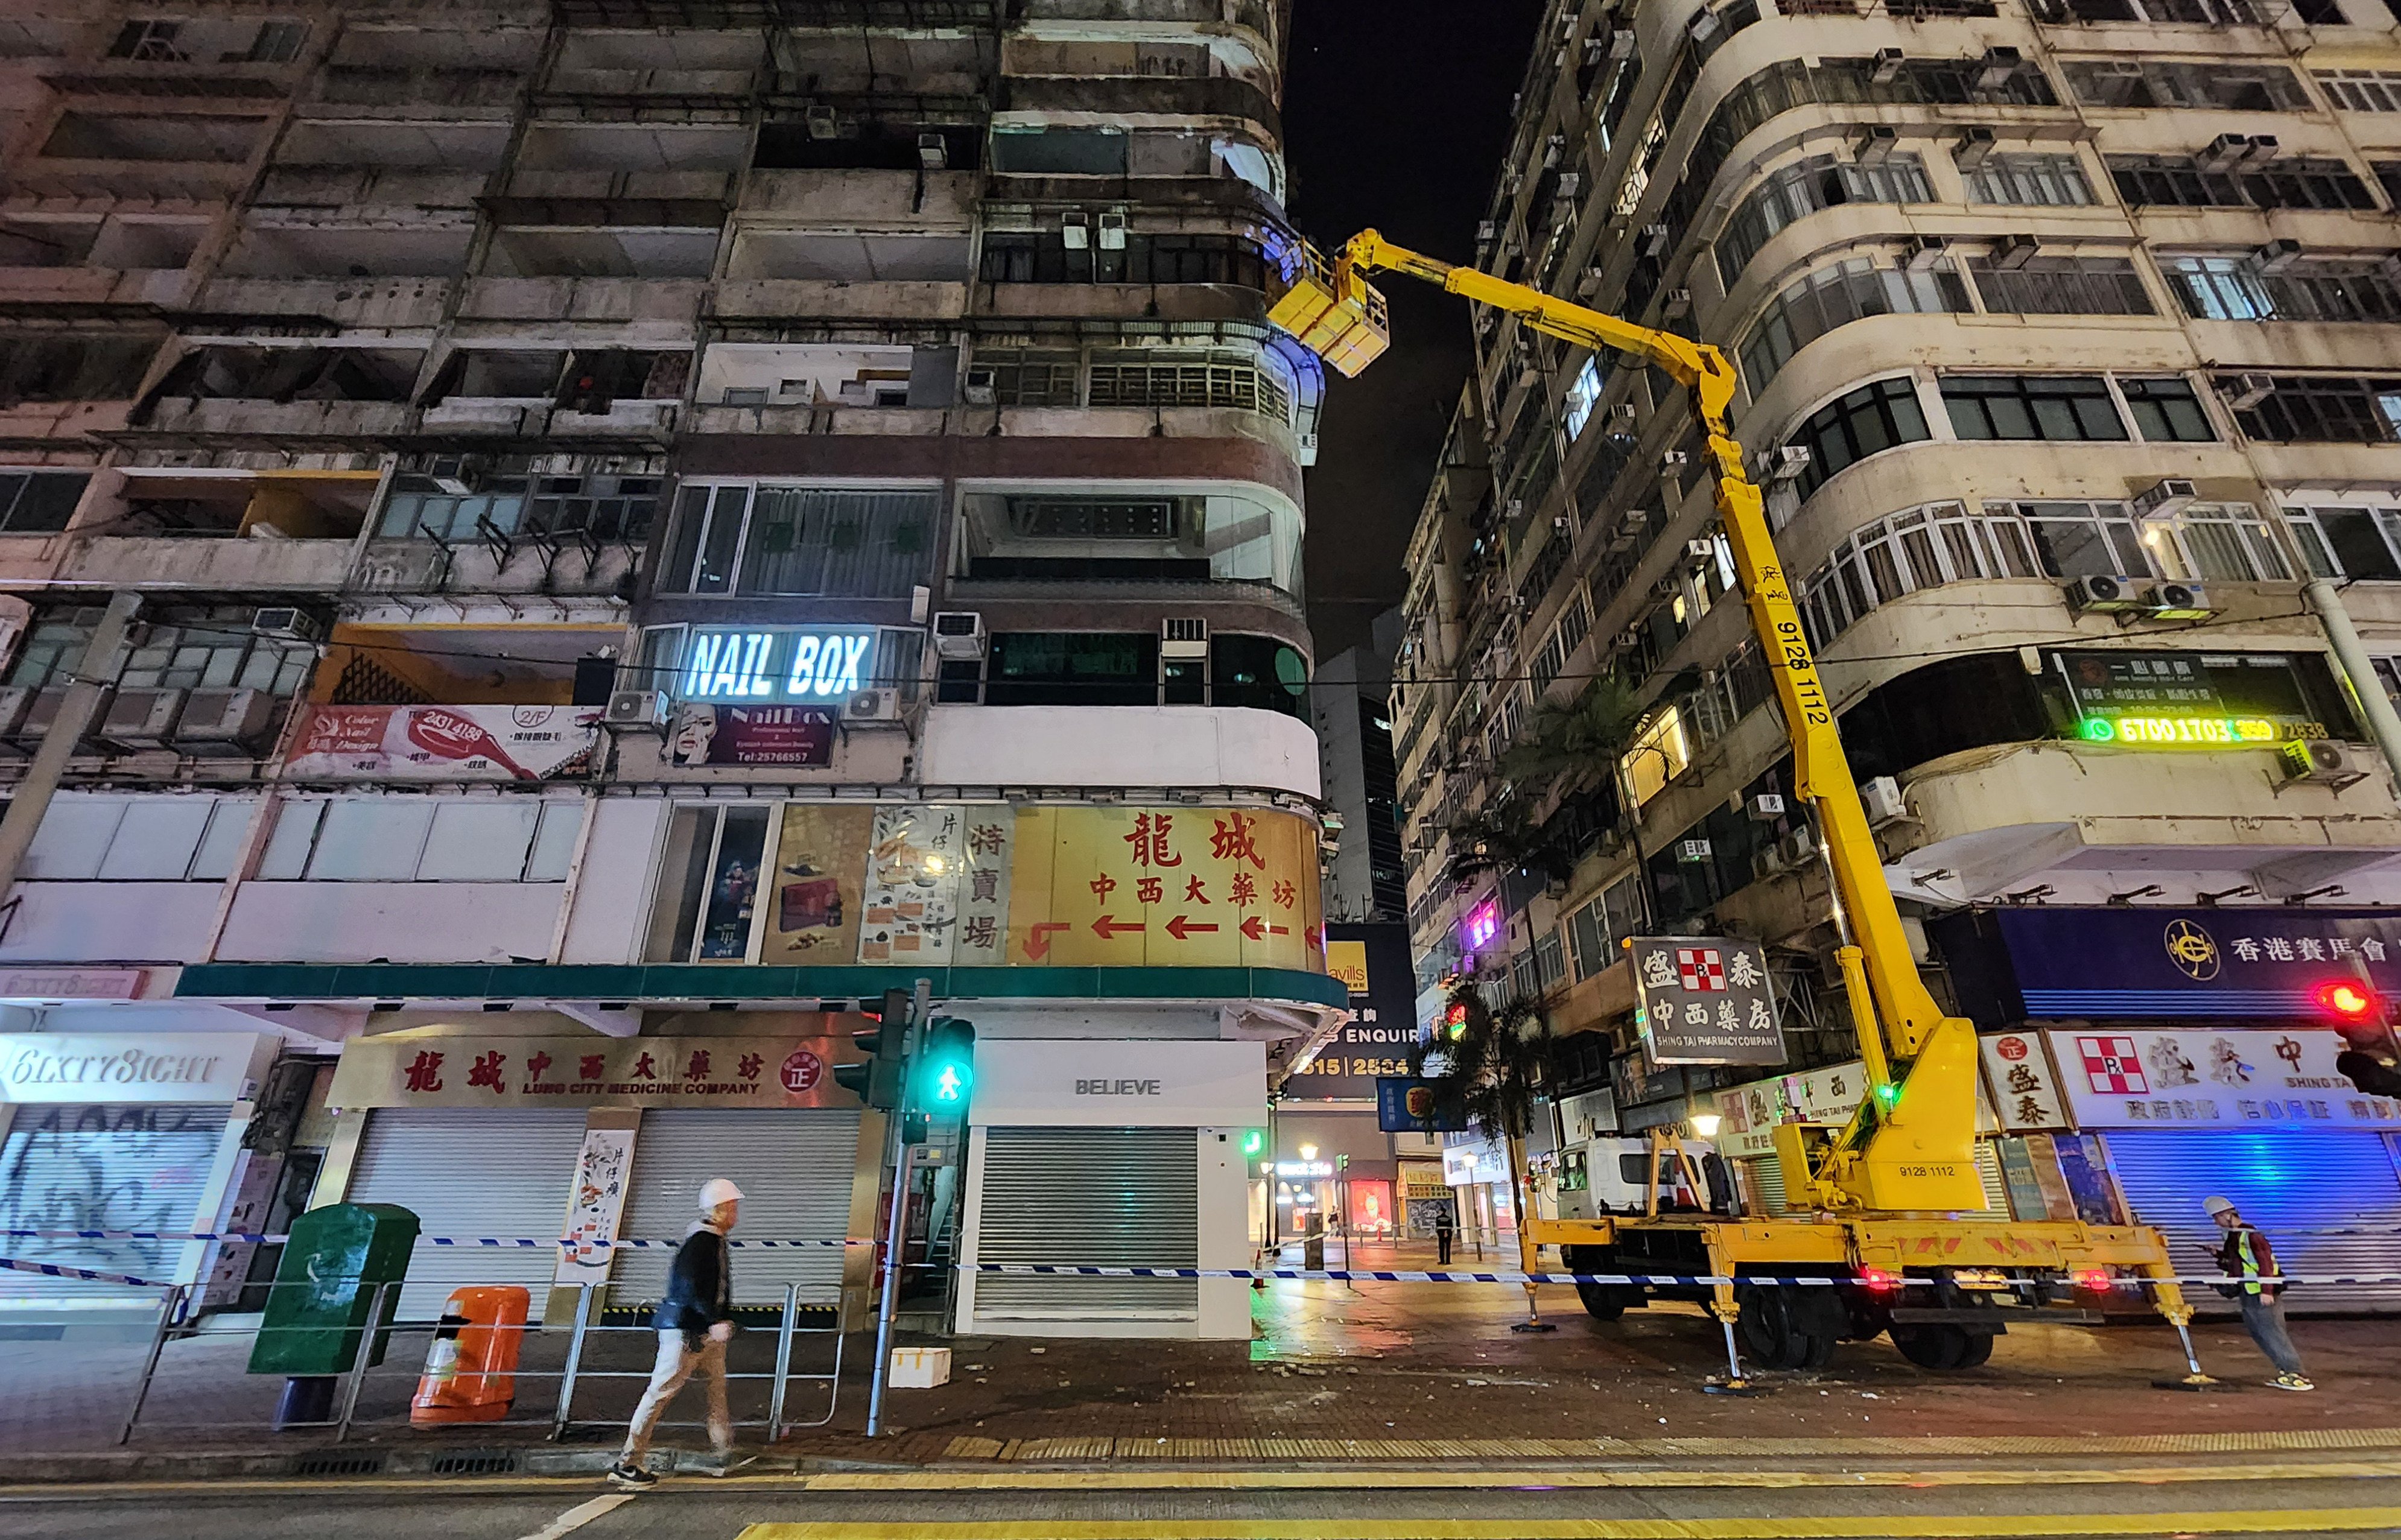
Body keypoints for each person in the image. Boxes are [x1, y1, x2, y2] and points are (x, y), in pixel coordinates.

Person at [609, 1179, 743, 1489]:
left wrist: (722, 1319)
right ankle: (627, 1463)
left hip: (701, 1331)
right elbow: (689, 1288)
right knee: (660, 1393)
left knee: (716, 1390)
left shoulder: (713, 1239)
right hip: (686, 1332)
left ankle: (723, 1450)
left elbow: (715, 1289)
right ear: (720, 1210)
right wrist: (714, 1321)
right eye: (733, 1208)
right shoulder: (702, 1242)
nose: (737, 1214)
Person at [2203, 1195, 2312, 1392]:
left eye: (2216, 1218)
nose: (2215, 1223)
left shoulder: (2252, 1236)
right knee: (2261, 1334)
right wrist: (2218, 1255)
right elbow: (2237, 1263)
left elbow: (2266, 1264)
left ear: (2227, 1215)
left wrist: (2267, 1290)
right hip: (2249, 1293)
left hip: (2261, 1294)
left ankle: (2296, 1374)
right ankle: (2286, 1372)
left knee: (2273, 1333)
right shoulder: (2234, 1237)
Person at [1432, 1198, 1457, 1266]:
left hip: (1441, 1234)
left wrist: (1438, 1234)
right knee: (1448, 1248)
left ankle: (1442, 1261)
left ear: (1442, 1212)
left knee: (1441, 1248)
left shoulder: (1438, 1218)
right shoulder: (1449, 1218)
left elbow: (1437, 1227)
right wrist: (1447, 1233)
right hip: (1448, 1234)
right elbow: (1451, 1227)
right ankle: (1448, 1261)